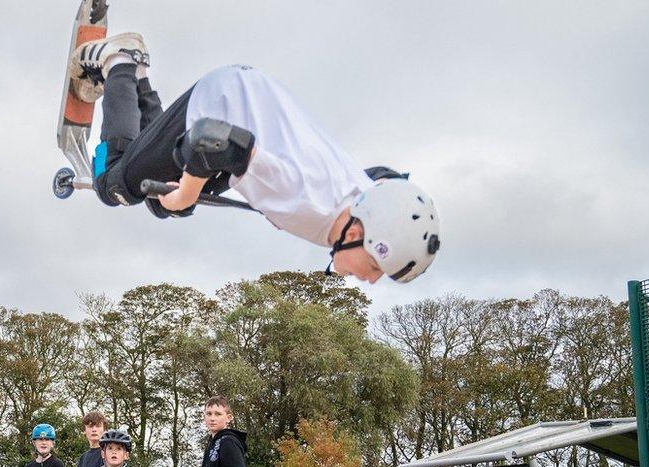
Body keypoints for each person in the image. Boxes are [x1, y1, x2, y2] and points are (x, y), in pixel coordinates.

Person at [67, 33, 441, 284]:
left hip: (247, 109)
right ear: (356, 234)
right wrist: (187, 193)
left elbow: (386, 176)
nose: (373, 280)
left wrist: (181, 197)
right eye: (376, 267)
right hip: (222, 110)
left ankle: (138, 77)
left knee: (164, 205)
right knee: (117, 186)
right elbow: (210, 141)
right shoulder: (303, 194)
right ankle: (119, 63)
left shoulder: (365, 197)